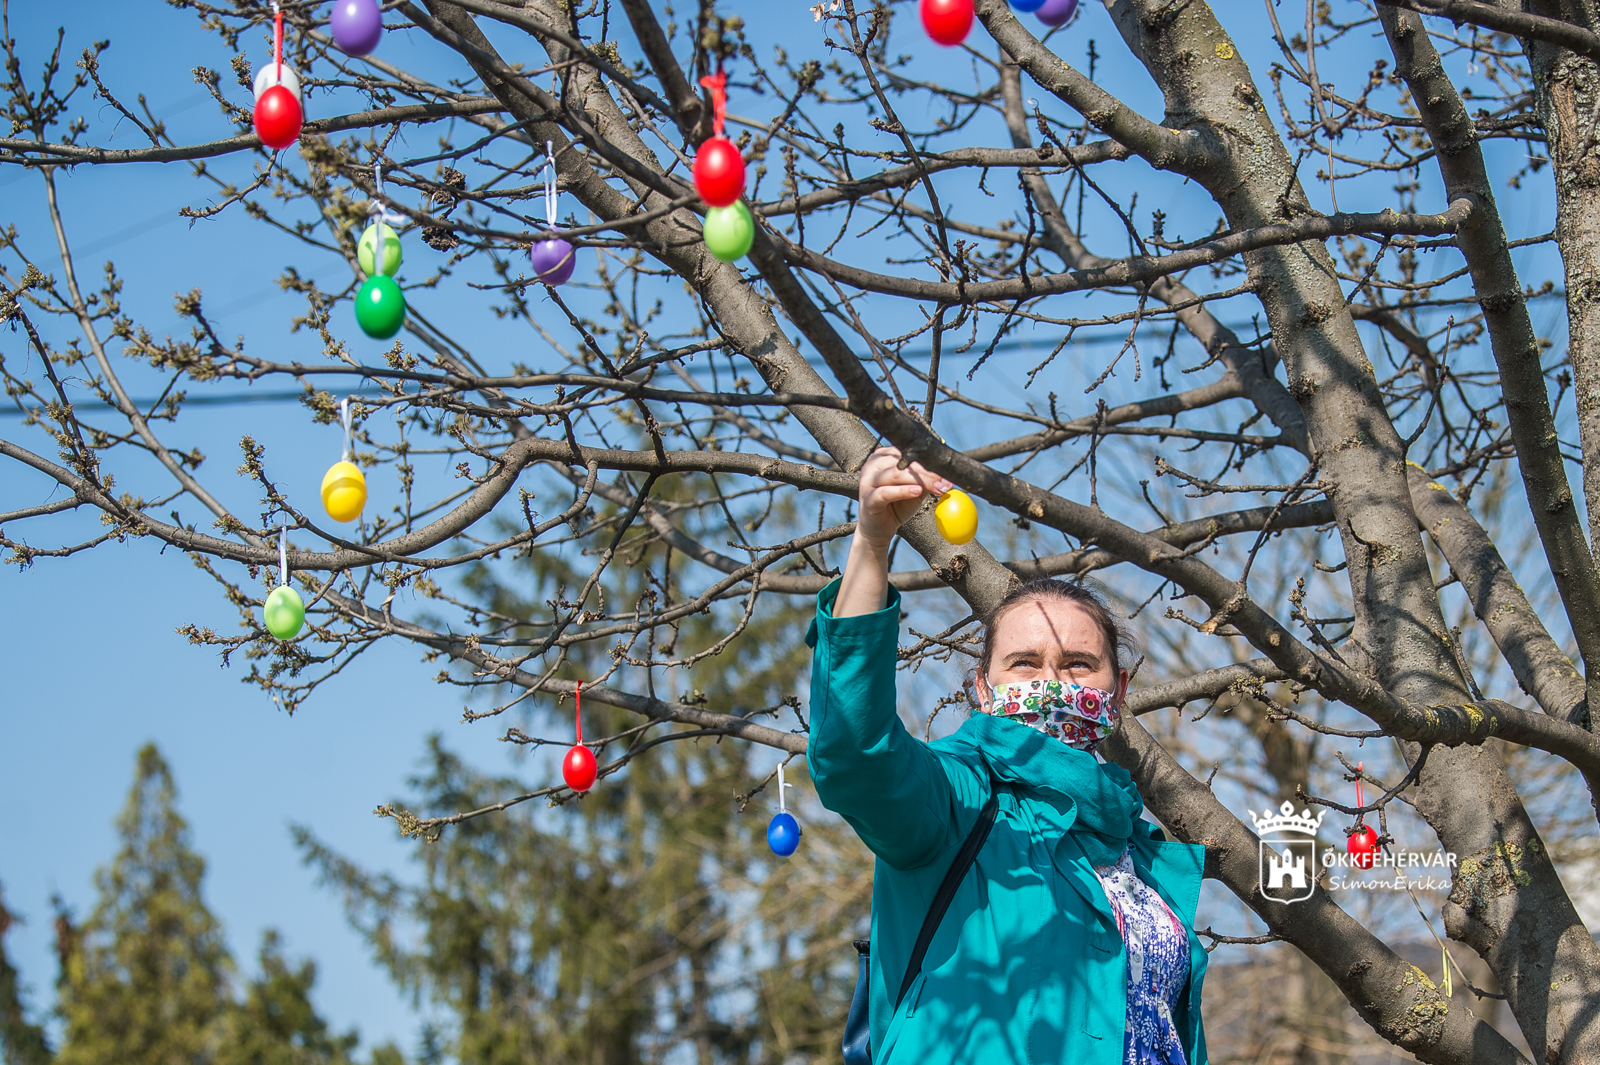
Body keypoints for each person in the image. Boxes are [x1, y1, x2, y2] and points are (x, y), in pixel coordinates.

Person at [806, 447, 1208, 1065]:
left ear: (1119, 691)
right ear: (982, 688)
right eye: (1024, 663)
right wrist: (872, 543)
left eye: (1078, 663)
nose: (1052, 681)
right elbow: (855, 755)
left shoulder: (1144, 856)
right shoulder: (957, 801)